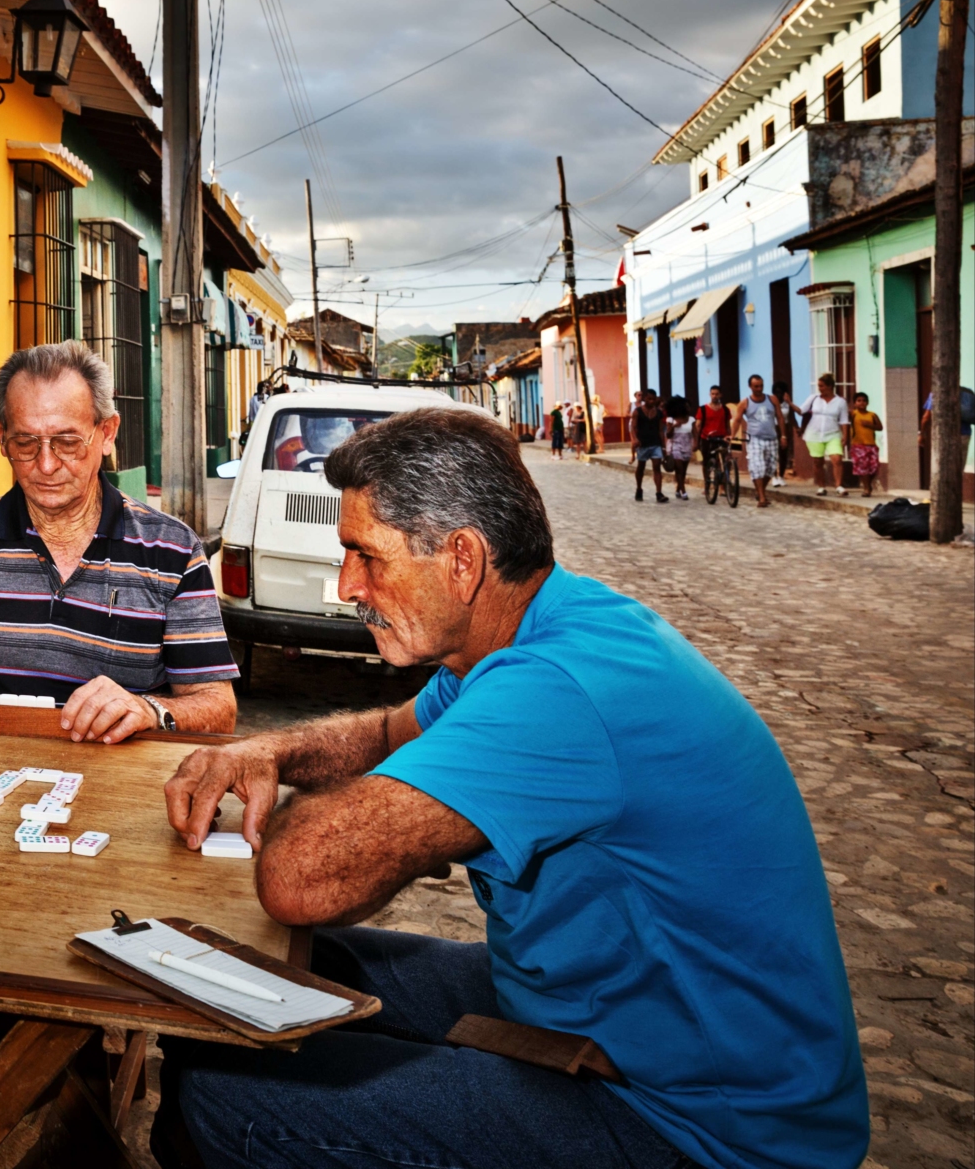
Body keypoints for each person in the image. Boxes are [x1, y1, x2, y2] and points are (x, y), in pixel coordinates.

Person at [152, 408, 867, 1169]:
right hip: (590, 1001)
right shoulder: (532, 630)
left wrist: (360, 814)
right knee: (251, 974)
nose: (345, 586)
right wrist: (269, 750)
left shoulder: (557, 688)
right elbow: (390, 736)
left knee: (216, 1091)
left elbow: (301, 878)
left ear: (462, 559)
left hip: (701, 1126)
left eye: (365, 556)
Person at [0, 341, 238, 742]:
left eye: (68, 442)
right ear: (0, 437)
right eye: (25, 443)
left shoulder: (171, 552)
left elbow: (219, 708)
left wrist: (150, 709)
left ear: (106, 433)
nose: (47, 465)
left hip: (117, 784)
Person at [734, 373, 784, 508]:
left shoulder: (772, 399)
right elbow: (737, 420)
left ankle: (759, 490)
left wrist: (783, 435)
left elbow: (779, 417)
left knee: (771, 468)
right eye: (756, 386)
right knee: (758, 467)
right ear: (750, 387)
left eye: (761, 386)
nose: (759, 388)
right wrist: (732, 436)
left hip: (772, 438)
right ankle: (762, 497)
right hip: (754, 438)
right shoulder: (745, 402)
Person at [799, 372, 850, 495]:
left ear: (829, 386)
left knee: (837, 459)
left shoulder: (840, 402)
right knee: (818, 461)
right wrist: (789, 403)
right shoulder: (814, 398)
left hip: (833, 433)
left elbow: (844, 420)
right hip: (814, 434)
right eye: (818, 386)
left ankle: (839, 485)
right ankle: (821, 486)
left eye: (821, 386)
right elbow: (801, 411)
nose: (819, 388)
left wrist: (845, 436)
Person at [919, 383, 975, 493]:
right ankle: (956, 496)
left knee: (942, 468)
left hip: (944, 436)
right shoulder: (967, 392)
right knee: (959, 468)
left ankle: (943, 496)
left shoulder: (937, 393)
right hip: (964, 434)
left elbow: (926, 417)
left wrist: (922, 434)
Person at [629, 389, 668, 503]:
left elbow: (661, 430)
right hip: (642, 443)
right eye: (649, 398)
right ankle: (639, 489)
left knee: (657, 467)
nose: (651, 401)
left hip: (655, 443)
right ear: (644, 398)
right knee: (641, 467)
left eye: (653, 399)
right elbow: (633, 427)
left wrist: (664, 446)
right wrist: (635, 439)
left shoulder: (659, 412)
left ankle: (659, 493)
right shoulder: (637, 411)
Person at [846, 391, 884, 498]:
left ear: (867, 403)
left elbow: (880, 427)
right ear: (854, 403)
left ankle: (868, 484)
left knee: (873, 468)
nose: (861, 403)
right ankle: (867, 488)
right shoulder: (853, 414)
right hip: (858, 445)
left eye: (864, 401)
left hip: (871, 444)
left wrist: (870, 425)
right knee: (863, 468)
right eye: (859, 401)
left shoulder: (872, 415)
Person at [662, 395, 693, 500]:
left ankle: (678, 488)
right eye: (686, 406)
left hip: (687, 446)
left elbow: (695, 433)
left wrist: (696, 444)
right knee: (679, 468)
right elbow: (668, 435)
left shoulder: (691, 419)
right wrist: (674, 426)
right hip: (675, 446)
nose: (688, 408)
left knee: (683, 470)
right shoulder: (670, 419)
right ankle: (683, 491)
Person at [771, 379, 796, 487]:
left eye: (781, 392)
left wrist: (797, 427)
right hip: (772, 428)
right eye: (776, 392)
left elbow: (791, 417)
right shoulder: (770, 402)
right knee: (773, 453)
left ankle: (781, 476)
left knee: (783, 453)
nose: (778, 394)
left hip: (784, 429)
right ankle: (774, 476)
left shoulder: (787, 403)